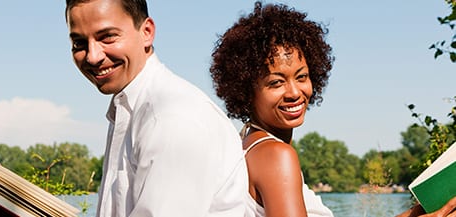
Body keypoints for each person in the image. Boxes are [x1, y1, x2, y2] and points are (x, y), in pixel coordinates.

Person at [65, 0, 249, 216]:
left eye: (107, 37)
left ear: (147, 32)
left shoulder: (172, 118)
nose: (92, 56)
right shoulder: (132, 107)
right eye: (79, 43)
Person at [210, 2, 334, 217]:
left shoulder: (250, 144)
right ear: (246, 91)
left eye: (302, 77)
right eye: (276, 82)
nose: (294, 92)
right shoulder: (277, 155)